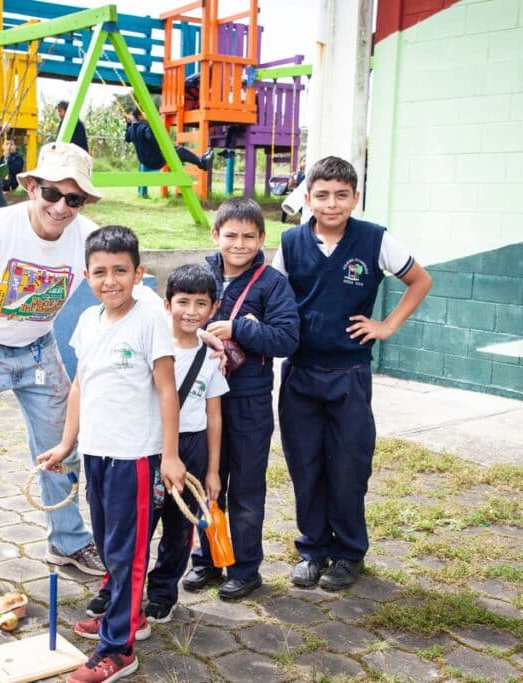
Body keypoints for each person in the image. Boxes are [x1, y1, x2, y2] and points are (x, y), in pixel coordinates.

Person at [0, 141, 106, 613]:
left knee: (63, 448)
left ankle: (69, 541)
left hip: (38, 351)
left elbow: (124, 284)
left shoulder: (88, 238)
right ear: (30, 186)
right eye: (51, 193)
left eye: (73, 199)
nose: (59, 207)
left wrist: (183, 330)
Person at [274, 156, 432, 591]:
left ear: (355, 198)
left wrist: (386, 326)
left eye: (342, 195)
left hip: (349, 374)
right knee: (305, 465)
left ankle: (347, 554)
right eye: (322, 195)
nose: (332, 203)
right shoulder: (289, 244)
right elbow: (270, 295)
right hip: (300, 374)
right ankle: (312, 550)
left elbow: (420, 280)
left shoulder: (374, 239)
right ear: (307, 198)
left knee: (347, 467)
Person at [38, 225, 186, 683]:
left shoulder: (150, 319)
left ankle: (118, 648)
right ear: (86, 276)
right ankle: (127, 614)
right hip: (96, 455)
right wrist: (67, 443)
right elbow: (82, 385)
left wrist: (171, 456)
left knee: (128, 552)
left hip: (136, 459)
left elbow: (167, 391)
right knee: (107, 547)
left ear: (139, 272)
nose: (110, 281)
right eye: (100, 272)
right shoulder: (86, 321)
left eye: (120, 271)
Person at [83, 264, 228, 623]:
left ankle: (163, 592)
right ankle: (114, 588)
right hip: (148, 444)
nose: (191, 312)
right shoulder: (150, 338)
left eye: (201, 304)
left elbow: (214, 417)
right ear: (167, 305)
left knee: (180, 531)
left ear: (214, 310)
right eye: (183, 302)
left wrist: (211, 471)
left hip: (191, 448)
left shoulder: (210, 359)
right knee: (132, 526)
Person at [182, 197, 298, 601]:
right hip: (201, 395)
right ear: (215, 235)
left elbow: (286, 338)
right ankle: (209, 561)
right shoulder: (200, 273)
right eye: (230, 235)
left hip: (248, 399)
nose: (239, 244)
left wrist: (238, 329)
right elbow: (179, 318)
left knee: (247, 486)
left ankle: (245, 569)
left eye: (250, 236)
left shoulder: (272, 283)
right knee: (206, 483)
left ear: (263, 239)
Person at [125, 108, 214, 174]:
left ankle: (201, 160)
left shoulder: (131, 129)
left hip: (145, 160)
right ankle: (202, 162)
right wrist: (150, 122)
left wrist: (128, 123)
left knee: (175, 149)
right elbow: (152, 138)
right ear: (140, 117)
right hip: (155, 160)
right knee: (180, 151)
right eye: (144, 114)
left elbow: (127, 138)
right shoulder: (143, 128)